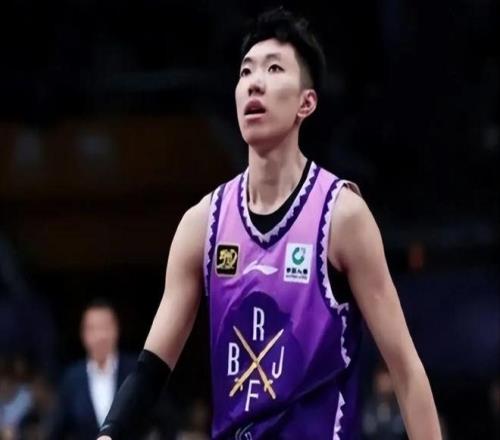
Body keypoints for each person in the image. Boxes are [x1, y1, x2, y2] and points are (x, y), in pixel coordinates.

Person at [98, 8, 441, 440]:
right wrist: (109, 433)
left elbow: (405, 369)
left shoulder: (342, 216)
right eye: (246, 71)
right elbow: (151, 370)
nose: (254, 83)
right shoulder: (201, 224)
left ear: (306, 103)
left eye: (274, 69)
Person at [50, 299, 135, 440]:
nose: (99, 336)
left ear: (116, 329)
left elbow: (164, 419)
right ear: (83, 334)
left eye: (105, 327)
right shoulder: (72, 379)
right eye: (93, 329)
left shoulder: (135, 372)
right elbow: (56, 430)